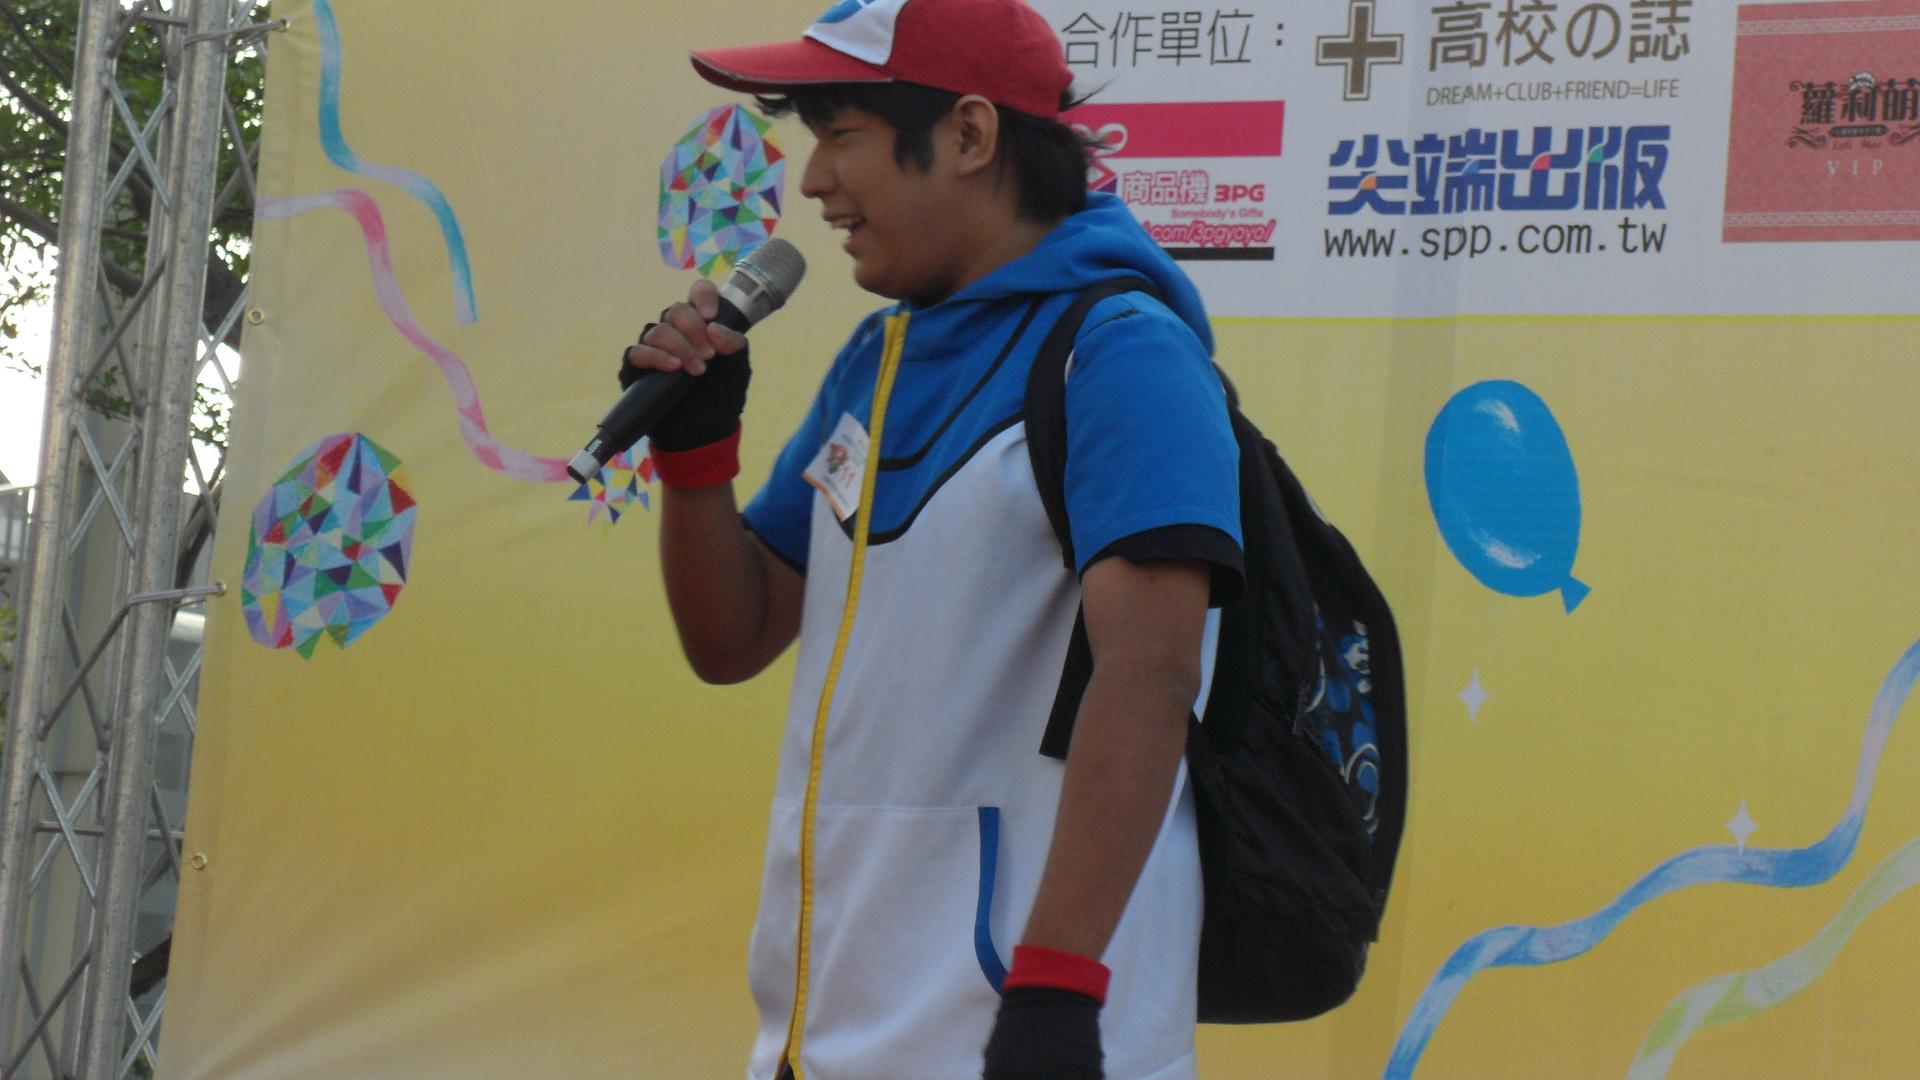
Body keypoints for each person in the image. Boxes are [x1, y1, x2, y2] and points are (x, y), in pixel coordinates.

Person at [625, 1, 1241, 1075]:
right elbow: (734, 638)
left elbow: (1151, 673)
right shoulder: (879, 356)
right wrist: (694, 455)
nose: (813, 180)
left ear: (968, 134)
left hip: (1023, 1032)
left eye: (842, 135)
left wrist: (1055, 993)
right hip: (825, 1032)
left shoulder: (1123, 349)